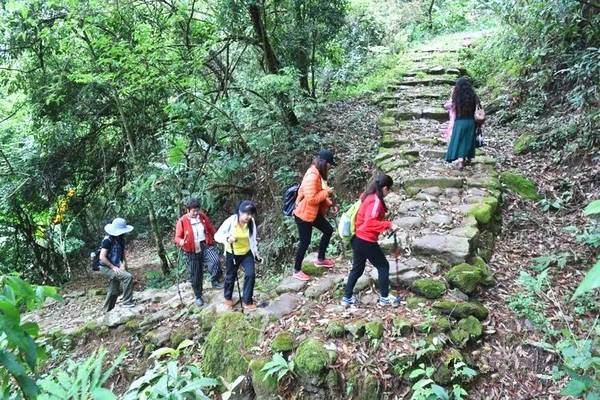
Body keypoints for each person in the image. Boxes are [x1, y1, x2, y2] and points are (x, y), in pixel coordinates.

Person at [342, 174, 400, 307]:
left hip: (357, 238)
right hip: (366, 240)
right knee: (383, 265)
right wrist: (389, 225)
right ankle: (385, 298)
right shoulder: (375, 201)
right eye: (389, 189)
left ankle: (347, 297)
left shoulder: (367, 195)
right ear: (385, 188)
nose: (388, 192)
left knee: (357, 269)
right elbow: (370, 223)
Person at [292, 150, 338, 281]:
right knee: (305, 242)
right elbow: (312, 198)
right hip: (303, 215)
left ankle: (321, 259)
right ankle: (296, 270)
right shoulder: (313, 175)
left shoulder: (317, 173)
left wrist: (329, 204)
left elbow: (319, 194)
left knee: (328, 230)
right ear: (324, 163)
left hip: (313, 213)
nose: (330, 167)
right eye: (330, 164)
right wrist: (327, 192)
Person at [174, 198, 224, 307]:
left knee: (215, 260)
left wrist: (218, 237)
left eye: (197, 210)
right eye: (194, 211)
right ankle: (198, 296)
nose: (196, 213)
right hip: (191, 249)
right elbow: (177, 237)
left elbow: (211, 228)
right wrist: (181, 241)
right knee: (196, 273)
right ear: (188, 210)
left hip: (205, 244)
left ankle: (215, 281)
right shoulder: (182, 221)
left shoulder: (202, 217)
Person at [215, 200, 262, 311]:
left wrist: (256, 254)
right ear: (239, 212)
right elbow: (217, 236)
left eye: (250, 214)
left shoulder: (251, 222)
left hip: (246, 253)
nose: (248, 216)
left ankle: (247, 301)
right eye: (245, 213)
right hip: (232, 253)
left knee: (250, 274)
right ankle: (227, 297)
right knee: (231, 275)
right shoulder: (231, 221)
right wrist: (227, 238)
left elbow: (253, 239)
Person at [97, 217, 135, 312]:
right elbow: (102, 257)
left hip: (114, 266)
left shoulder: (121, 239)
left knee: (114, 289)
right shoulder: (107, 240)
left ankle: (107, 310)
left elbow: (122, 255)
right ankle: (127, 302)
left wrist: (124, 266)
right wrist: (113, 267)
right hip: (105, 267)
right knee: (128, 277)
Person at [444, 77, 482, 169]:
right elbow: (479, 107)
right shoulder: (473, 96)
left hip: (459, 122)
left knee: (459, 141)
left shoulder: (456, 96)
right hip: (471, 122)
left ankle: (460, 160)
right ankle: (467, 158)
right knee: (468, 140)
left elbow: (448, 106)